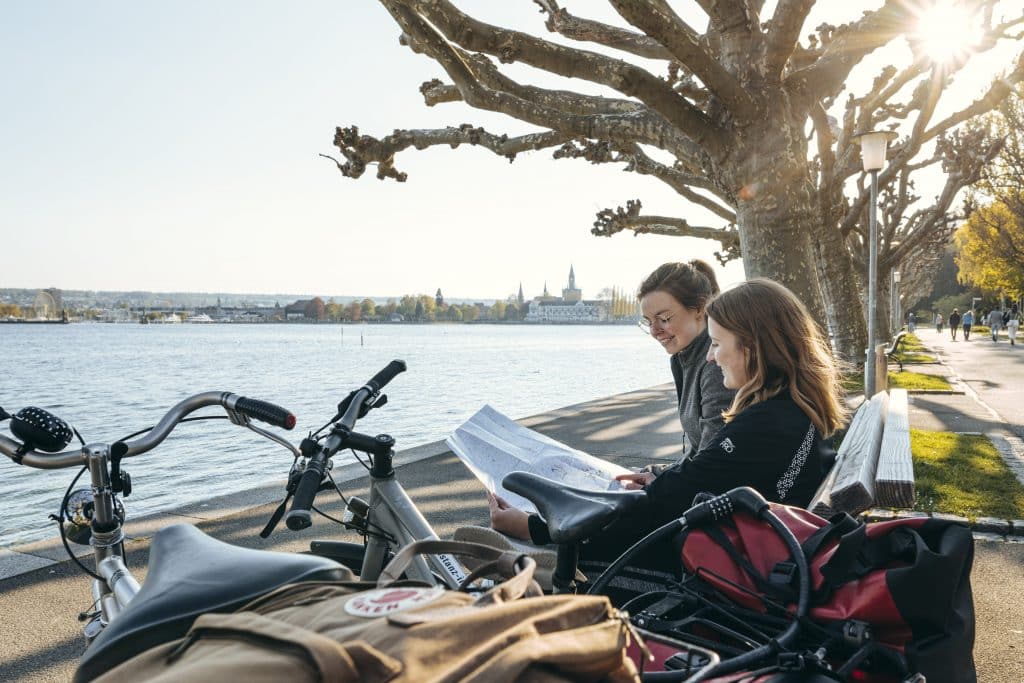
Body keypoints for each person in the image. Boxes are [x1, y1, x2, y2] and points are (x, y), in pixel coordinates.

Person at [490, 279, 845, 593]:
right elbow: (697, 479)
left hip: (719, 575)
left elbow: (658, 508)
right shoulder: (790, 412)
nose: (710, 355)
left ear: (751, 348)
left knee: (505, 558)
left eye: (718, 343)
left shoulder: (765, 425)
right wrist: (662, 479)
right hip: (759, 554)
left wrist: (535, 528)